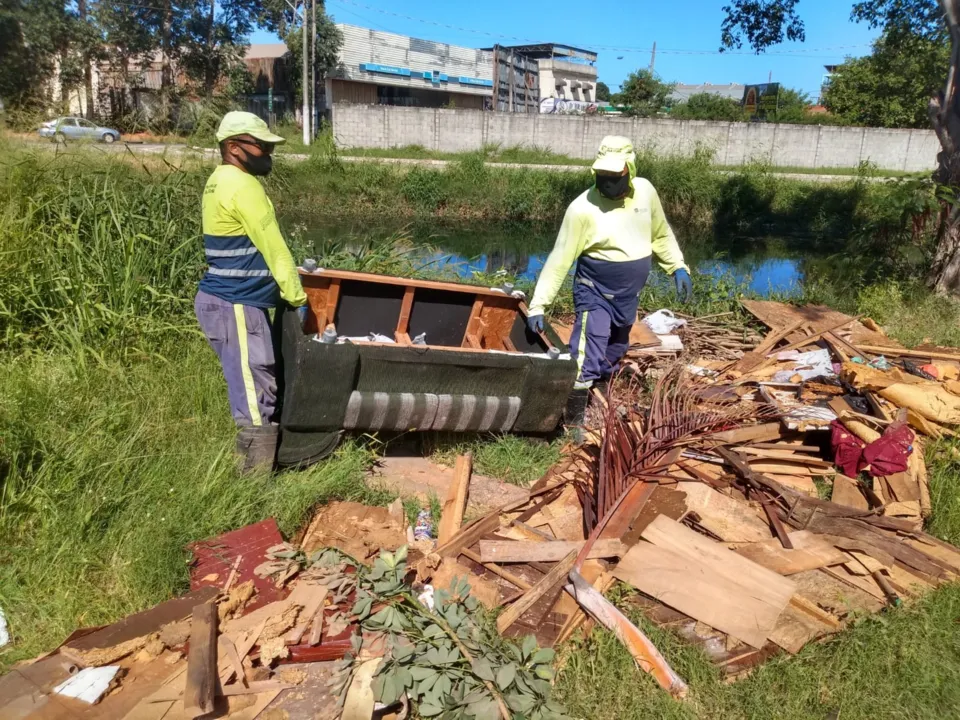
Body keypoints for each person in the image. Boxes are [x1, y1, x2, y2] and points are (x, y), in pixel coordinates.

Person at [526, 135, 692, 418]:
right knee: (589, 347)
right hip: (595, 290)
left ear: (630, 169)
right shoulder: (582, 209)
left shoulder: (645, 192)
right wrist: (538, 304)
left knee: (617, 346)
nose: (608, 180)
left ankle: (598, 385)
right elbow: (560, 259)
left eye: (615, 174)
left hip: (628, 295)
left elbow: (660, 233)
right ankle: (572, 416)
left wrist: (677, 265)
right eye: (602, 173)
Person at [194, 111, 307, 473]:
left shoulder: (217, 180)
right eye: (261, 146)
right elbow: (273, 246)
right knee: (256, 392)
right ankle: (254, 486)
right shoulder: (243, 186)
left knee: (252, 385)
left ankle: (253, 473)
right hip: (237, 303)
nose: (268, 153)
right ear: (233, 147)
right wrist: (298, 297)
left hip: (225, 301)